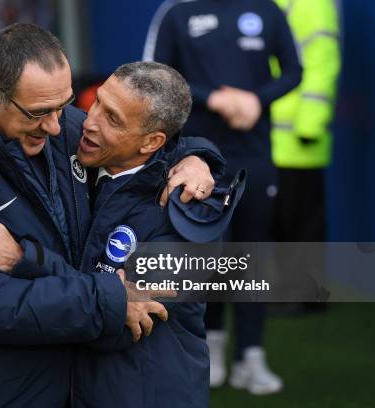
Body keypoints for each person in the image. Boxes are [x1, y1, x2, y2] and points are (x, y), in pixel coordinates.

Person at [0, 23, 223, 407]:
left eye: (66, 106)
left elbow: (143, 143)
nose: (62, 125)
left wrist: (195, 157)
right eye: (40, 113)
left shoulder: (58, 126)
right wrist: (110, 297)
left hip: (44, 383)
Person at [143, 0, 303, 395]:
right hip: (196, 157)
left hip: (255, 155)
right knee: (204, 255)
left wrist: (257, 100)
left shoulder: (267, 10)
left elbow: (295, 72)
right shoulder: (177, 12)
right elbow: (155, 75)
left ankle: (252, 354)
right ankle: (209, 345)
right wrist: (212, 97)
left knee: (252, 254)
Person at [271, 0, 339, 257]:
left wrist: (309, 127)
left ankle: (305, 297)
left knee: (301, 236)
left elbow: (323, 63)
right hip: (262, 140)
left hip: (298, 144)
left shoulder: (312, 4)